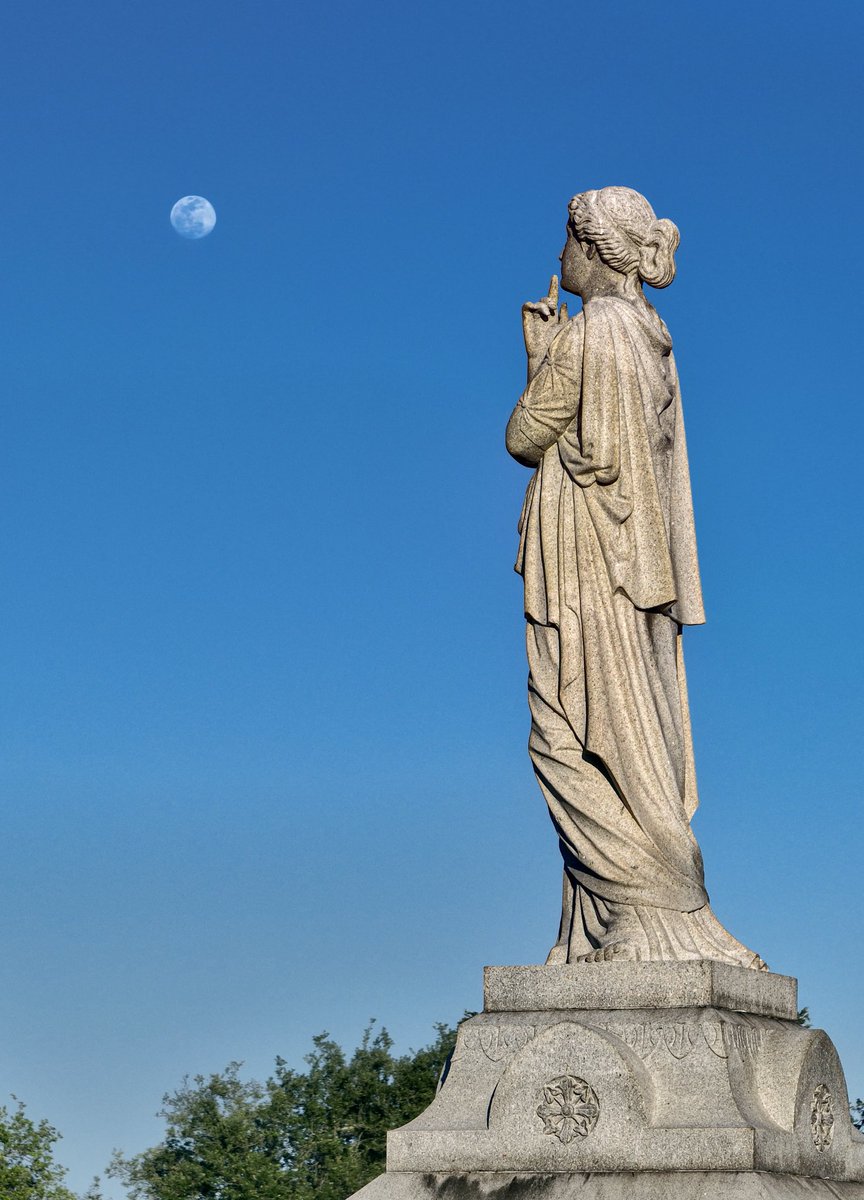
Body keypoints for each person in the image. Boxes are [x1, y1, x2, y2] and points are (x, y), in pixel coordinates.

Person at [506, 187, 764, 967]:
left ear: (594, 248)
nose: (559, 258)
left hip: (589, 570)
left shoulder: (593, 335)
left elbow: (524, 434)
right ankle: (600, 927)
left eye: (567, 242)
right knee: (625, 736)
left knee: (570, 740)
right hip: (634, 570)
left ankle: (652, 909)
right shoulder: (652, 334)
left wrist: (541, 357)